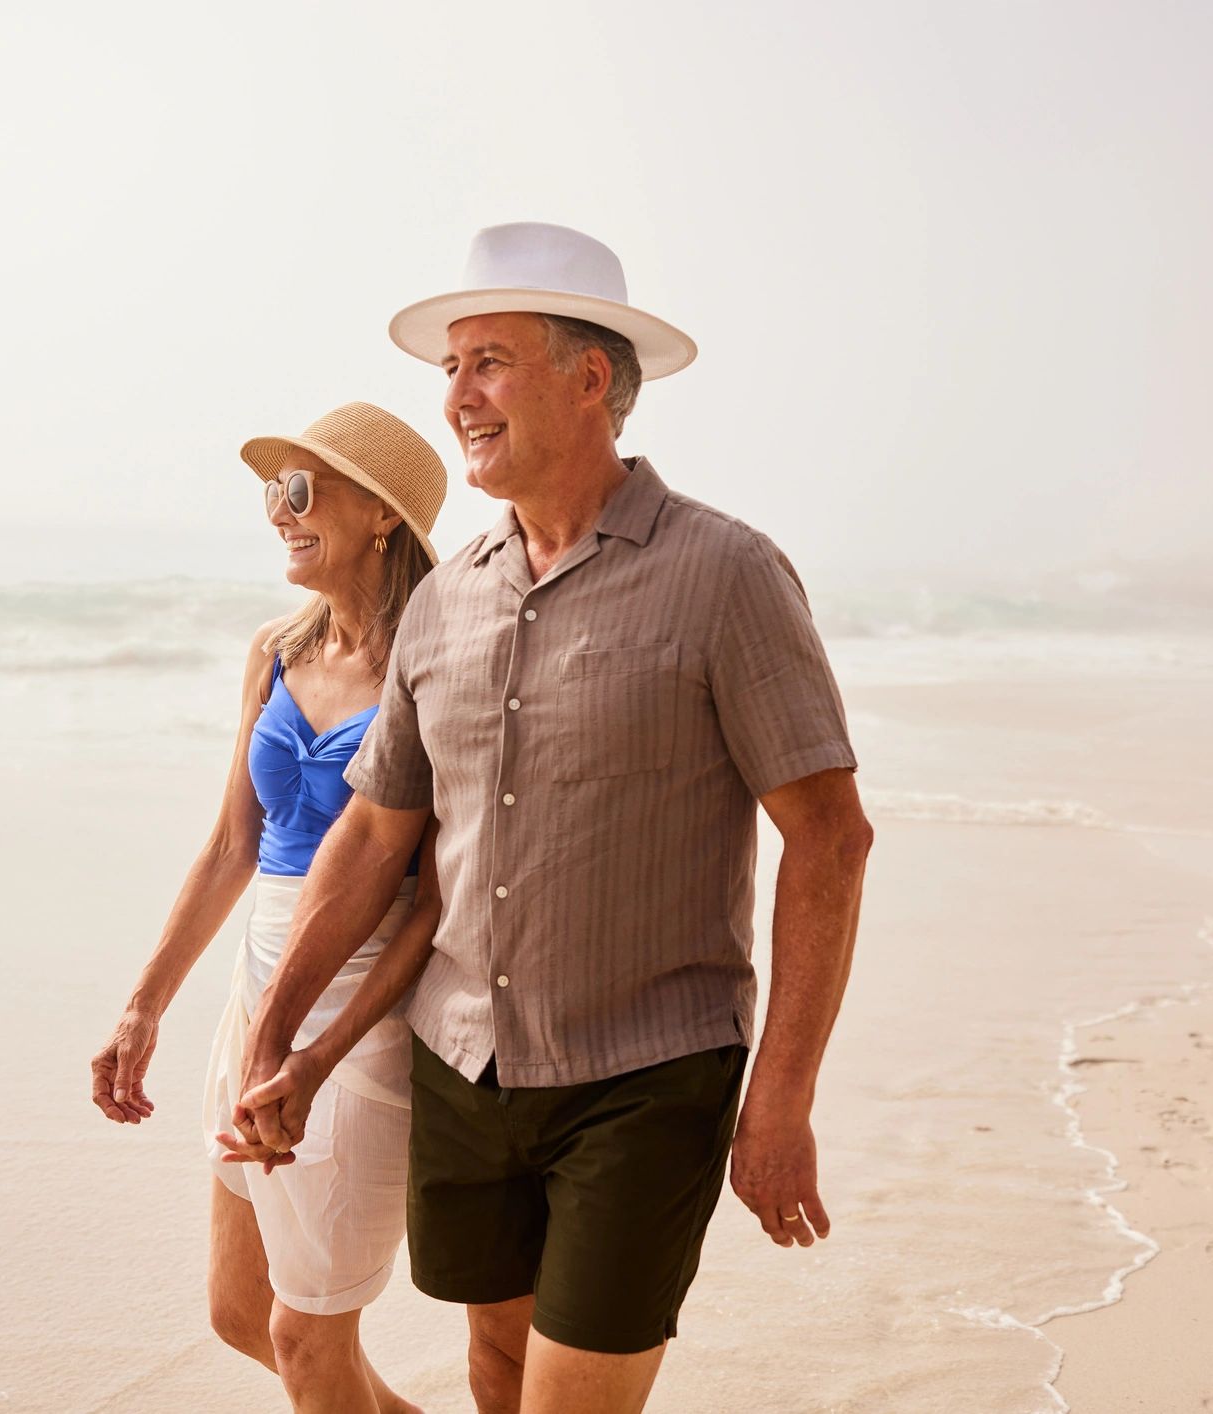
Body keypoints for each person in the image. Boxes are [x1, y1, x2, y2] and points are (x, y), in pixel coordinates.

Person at [228, 224, 874, 1414]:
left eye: (488, 362)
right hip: (463, 1065)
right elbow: (374, 836)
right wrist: (276, 1036)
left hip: (647, 1070)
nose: (456, 397)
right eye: (452, 366)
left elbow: (830, 836)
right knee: (493, 1369)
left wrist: (780, 1098)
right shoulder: (444, 602)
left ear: (590, 378)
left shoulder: (726, 573)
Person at [90, 402, 448, 1414]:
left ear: (382, 515)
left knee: (305, 1330)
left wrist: (325, 1045)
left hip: (357, 1024)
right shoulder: (275, 650)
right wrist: (144, 1004)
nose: (278, 515)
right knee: (242, 1311)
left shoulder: (435, 666)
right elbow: (228, 847)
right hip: (253, 1002)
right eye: (270, 494)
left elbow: (435, 903)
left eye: (300, 491)